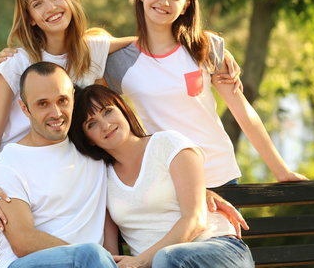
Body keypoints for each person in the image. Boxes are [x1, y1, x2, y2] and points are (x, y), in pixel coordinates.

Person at [0, 0, 136, 264]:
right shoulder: (17, 62)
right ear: (29, 17)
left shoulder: (90, 51)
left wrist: (206, 42)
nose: (50, 7)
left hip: (46, 174)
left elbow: (147, 43)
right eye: (37, 3)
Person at [103, 0, 307, 188]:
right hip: (167, 181)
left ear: (186, 5)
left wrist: (281, 171)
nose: (164, 1)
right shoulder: (118, 63)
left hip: (219, 174)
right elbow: (82, 54)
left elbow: (244, 113)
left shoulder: (204, 48)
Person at [69, 84, 255, 268]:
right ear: (87, 139)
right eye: (91, 124)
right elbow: (110, 252)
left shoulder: (168, 144)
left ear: (123, 110)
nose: (105, 125)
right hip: (156, 264)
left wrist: (141, 260)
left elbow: (195, 220)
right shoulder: (103, 178)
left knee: (167, 258)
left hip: (217, 250)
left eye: (108, 111)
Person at [0, 62, 117, 268]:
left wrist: (109, 259)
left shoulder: (93, 149)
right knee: (90, 254)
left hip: (91, 262)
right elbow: (23, 241)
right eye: (42, 104)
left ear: (73, 98)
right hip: (25, 264)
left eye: (62, 100)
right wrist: (87, 258)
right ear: (24, 108)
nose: (56, 113)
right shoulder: (8, 163)